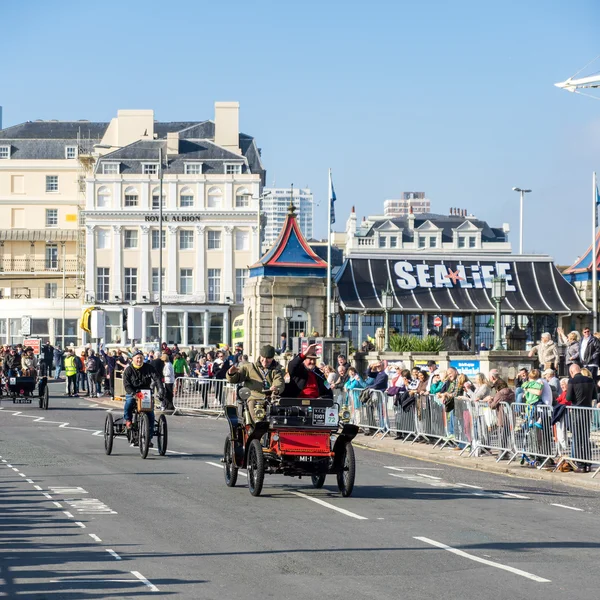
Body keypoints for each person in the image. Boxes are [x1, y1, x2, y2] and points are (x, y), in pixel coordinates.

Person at [226, 345, 285, 421]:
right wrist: (231, 374)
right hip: (254, 398)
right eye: (263, 359)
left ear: (273, 358)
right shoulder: (249, 367)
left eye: (268, 359)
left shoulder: (276, 370)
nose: (265, 361)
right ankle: (257, 425)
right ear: (260, 356)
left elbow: (279, 381)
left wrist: (276, 389)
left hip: (270, 399)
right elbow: (237, 377)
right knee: (253, 405)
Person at [123, 351, 164, 446]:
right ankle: (128, 420)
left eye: (141, 357)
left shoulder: (149, 367)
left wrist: (161, 389)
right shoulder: (128, 370)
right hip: (133, 392)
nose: (139, 360)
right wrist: (133, 394)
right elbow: (126, 385)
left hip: (145, 393)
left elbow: (157, 378)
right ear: (133, 359)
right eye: (137, 358)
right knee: (129, 403)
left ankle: (148, 439)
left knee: (151, 415)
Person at [566, 364, 597, 472]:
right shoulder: (590, 380)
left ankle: (580, 465)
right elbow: (594, 396)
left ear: (571, 372)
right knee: (585, 437)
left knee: (578, 438)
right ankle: (588, 463)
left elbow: (569, 397)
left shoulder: (572, 381)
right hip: (587, 411)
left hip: (576, 411)